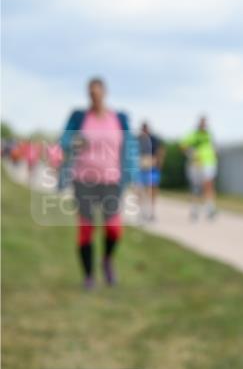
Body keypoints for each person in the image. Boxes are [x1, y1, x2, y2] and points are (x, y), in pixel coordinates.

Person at [58, 77, 138, 289]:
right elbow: (64, 142)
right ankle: (89, 276)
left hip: (111, 181)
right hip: (83, 179)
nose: (94, 96)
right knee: (86, 228)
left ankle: (107, 260)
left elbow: (129, 149)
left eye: (97, 92)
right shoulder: (79, 117)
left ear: (104, 93)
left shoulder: (118, 119)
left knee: (113, 228)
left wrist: (133, 176)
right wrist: (74, 141)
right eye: (91, 93)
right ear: (88, 95)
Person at [181, 116, 218, 221]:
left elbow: (213, 146)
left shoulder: (209, 134)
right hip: (197, 163)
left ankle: (210, 207)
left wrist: (214, 154)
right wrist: (191, 154)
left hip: (209, 162)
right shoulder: (193, 134)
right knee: (196, 187)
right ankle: (194, 209)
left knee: (209, 184)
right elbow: (183, 145)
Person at [137, 121, 165, 221]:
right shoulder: (138, 140)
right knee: (141, 190)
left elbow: (160, 151)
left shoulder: (154, 139)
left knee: (152, 189)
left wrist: (158, 162)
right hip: (141, 168)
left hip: (152, 167)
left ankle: (152, 212)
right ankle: (143, 211)